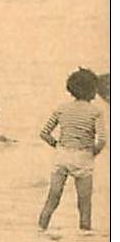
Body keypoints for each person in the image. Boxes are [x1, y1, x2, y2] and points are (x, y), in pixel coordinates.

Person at [38, 68, 106, 232]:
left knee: (53, 198)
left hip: (62, 154)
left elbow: (44, 133)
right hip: (83, 156)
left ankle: (40, 229)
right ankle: (84, 235)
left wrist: (57, 145)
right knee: (84, 203)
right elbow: (102, 140)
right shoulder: (95, 112)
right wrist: (93, 152)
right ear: (93, 90)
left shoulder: (62, 109)